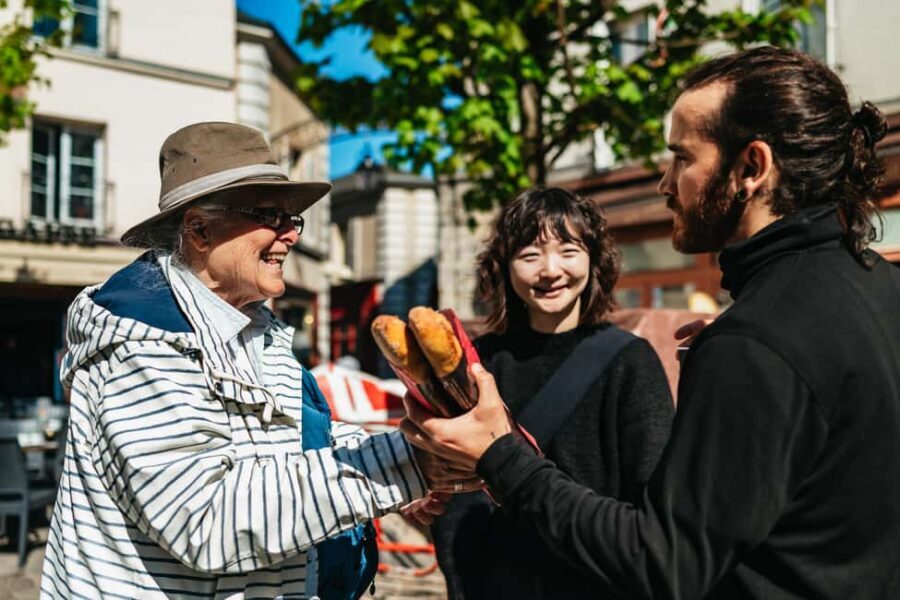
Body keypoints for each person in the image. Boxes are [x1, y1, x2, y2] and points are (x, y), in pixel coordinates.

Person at [402, 46, 900, 599]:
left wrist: (502, 456)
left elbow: (666, 567)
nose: (665, 183)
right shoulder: (875, 287)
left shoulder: (759, 339)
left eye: (681, 158)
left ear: (750, 169)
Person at [40, 122, 454, 599]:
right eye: (270, 216)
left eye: (291, 220)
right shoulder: (142, 343)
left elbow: (297, 440)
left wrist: (400, 456)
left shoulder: (253, 326)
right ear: (198, 229)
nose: (290, 235)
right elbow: (203, 520)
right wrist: (409, 464)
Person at [432, 187, 674, 598]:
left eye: (568, 250)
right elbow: (458, 498)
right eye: (529, 255)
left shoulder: (630, 361)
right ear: (504, 267)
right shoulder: (479, 363)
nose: (550, 270)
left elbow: (653, 502)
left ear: (593, 259)